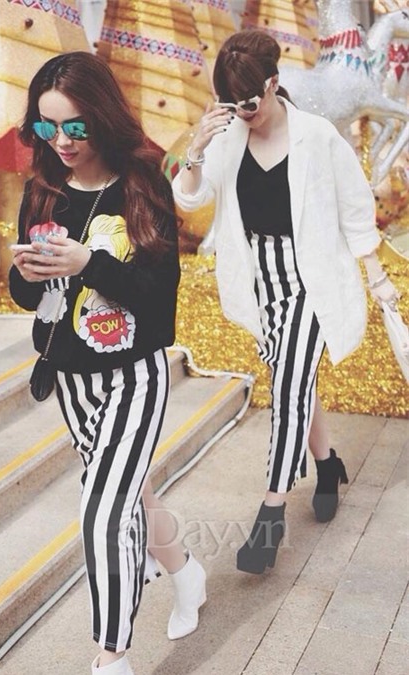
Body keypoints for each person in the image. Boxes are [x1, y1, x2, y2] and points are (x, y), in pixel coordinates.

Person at [172, 29, 400, 575]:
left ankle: (271, 515)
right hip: (260, 282)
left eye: (249, 102)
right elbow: (192, 198)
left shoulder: (317, 136)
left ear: (273, 84)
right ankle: (327, 462)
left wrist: (377, 278)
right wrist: (196, 150)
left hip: (310, 279)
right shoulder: (228, 138)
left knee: (289, 386)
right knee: (293, 379)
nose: (243, 113)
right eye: (232, 103)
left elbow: (354, 210)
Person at [9, 52, 206, 675]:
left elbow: (160, 298)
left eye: (74, 126)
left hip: (133, 375)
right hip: (70, 377)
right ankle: (186, 572)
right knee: (129, 495)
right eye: (46, 127)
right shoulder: (43, 190)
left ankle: (111, 656)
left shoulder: (142, 184)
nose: (61, 141)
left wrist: (88, 264)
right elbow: (29, 300)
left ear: (100, 115)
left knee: (103, 511)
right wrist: (26, 274)